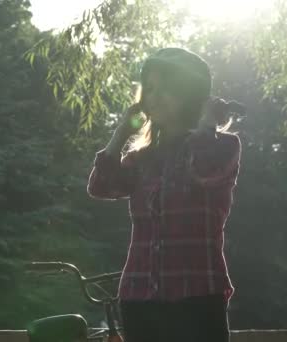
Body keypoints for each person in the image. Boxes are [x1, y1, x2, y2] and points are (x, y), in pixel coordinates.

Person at [87, 47, 242, 342]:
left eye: (166, 89)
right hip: (138, 297)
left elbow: (204, 167)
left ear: (190, 94)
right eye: (150, 88)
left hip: (197, 296)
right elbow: (100, 187)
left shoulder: (224, 146)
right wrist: (121, 132)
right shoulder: (140, 159)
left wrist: (207, 122)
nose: (154, 97)